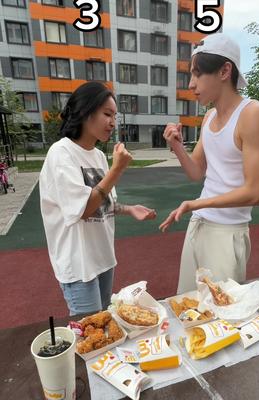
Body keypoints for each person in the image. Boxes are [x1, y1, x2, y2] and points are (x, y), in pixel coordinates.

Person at [159, 33, 259, 294]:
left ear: (224, 71)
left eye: (197, 74)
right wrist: (177, 146)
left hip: (227, 231)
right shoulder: (209, 117)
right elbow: (196, 172)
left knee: (221, 318)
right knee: (187, 308)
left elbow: (256, 193)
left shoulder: (254, 114)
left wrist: (194, 203)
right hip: (198, 224)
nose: (191, 84)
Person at [40, 81, 156, 315]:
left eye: (115, 116)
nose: (113, 122)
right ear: (85, 111)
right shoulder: (61, 153)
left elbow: (103, 203)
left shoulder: (99, 156)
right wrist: (117, 170)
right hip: (78, 263)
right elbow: (83, 208)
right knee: (90, 332)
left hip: (102, 257)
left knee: (105, 324)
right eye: (107, 114)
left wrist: (128, 208)